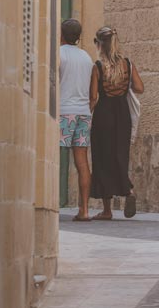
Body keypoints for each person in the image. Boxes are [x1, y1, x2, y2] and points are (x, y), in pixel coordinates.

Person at [89, 26, 144, 220]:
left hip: (104, 115)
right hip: (122, 114)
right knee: (120, 156)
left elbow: (94, 97)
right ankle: (128, 192)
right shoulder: (128, 64)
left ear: (99, 44)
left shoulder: (98, 66)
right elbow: (139, 87)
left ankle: (107, 210)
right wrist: (123, 84)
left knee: (103, 158)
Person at [59, 18, 94, 222]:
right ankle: (85, 209)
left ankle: (48, 204)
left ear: (61, 34)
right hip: (83, 112)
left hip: (64, 111)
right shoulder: (86, 57)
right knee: (82, 161)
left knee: (52, 157)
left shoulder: (59, 54)